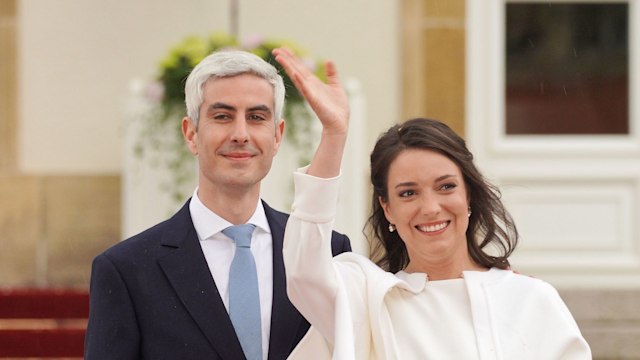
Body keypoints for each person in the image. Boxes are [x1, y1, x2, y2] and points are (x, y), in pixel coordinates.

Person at [272, 48, 592, 359]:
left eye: (446, 186)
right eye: (408, 193)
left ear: (468, 195)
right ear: (387, 208)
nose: (430, 208)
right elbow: (304, 271)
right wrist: (334, 133)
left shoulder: (531, 300)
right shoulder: (368, 299)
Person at [84, 49, 351, 360]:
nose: (240, 134)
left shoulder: (329, 253)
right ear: (192, 133)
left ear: (277, 136)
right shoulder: (126, 270)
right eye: (223, 116)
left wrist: (336, 132)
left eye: (256, 117)